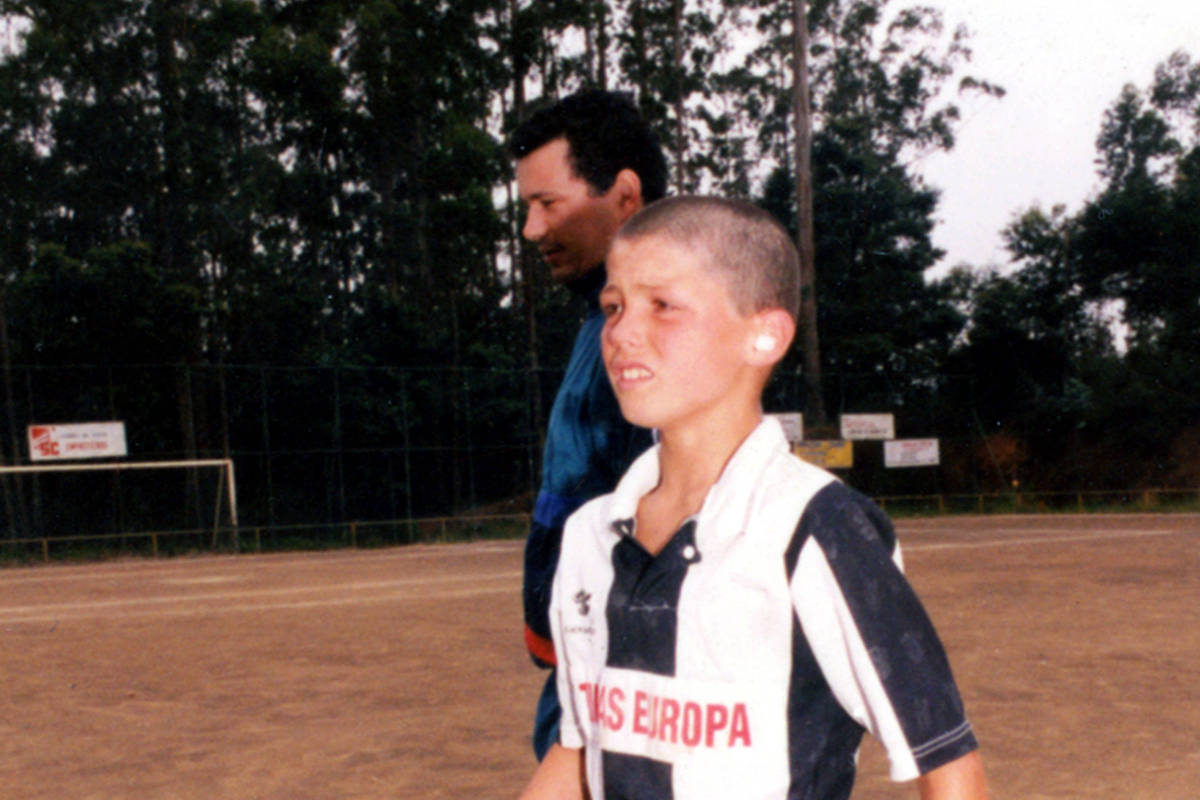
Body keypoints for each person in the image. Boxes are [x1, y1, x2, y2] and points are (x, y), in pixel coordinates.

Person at [521, 196, 988, 800]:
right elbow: (578, 750)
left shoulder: (817, 526)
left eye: (662, 306)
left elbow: (949, 768)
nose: (622, 332)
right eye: (614, 306)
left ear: (765, 336)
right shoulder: (591, 533)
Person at [509, 89, 669, 761]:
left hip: (626, 688)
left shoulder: (660, 337)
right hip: (585, 673)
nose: (532, 230)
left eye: (548, 204)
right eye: (527, 208)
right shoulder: (598, 329)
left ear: (624, 196)